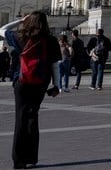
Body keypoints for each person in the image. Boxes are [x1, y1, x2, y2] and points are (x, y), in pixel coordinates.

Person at [3, 12, 61, 169]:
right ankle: (30, 157)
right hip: (40, 82)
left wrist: (20, 21)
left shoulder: (21, 36)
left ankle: (18, 159)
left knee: (20, 119)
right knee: (32, 117)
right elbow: (55, 65)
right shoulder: (51, 40)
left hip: (21, 82)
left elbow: (2, 29)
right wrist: (56, 85)